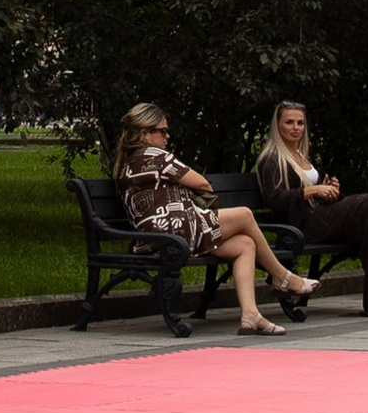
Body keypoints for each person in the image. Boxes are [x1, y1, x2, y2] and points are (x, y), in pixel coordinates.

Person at [116, 106, 315, 332]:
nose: (167, 136)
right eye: (162, 131)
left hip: (159, 235)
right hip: (173, 232)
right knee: (244, 215)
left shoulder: (129, 160)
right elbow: (201, 182)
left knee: (245, 244)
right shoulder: (155, 155)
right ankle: (282, 276)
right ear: (144, 134)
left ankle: (250, 315)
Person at [253, 102, 368, 317]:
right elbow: (275, 200)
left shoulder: (300, 154)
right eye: (289, 122)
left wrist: (328, 191)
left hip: (318, 217)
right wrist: (312, 190)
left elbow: (309, 194)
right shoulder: (271, 158)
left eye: (300, 123)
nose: (296, 128)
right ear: (277, 125)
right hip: (299, 227)